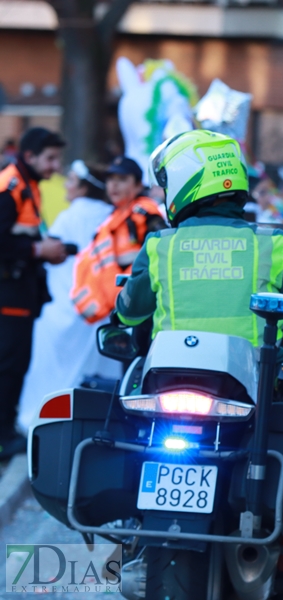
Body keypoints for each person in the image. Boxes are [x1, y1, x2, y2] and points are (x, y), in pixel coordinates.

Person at [115, 130, 283, 599]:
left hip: (170, 396)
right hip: (254, 394)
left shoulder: (159, 247)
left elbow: (127, 313)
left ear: (189, 181)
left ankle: (130, 547)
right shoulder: (270, 245)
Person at [17, 161, 117, 431]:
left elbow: (51, 258)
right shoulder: (112, 217)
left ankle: (40, 421)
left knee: (50, 373)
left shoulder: (70, 217)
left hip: (61, 306)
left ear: (84, 186)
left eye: (71, 179)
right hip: (96, 309)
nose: (66, 184)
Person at [0, 127, 66, 458]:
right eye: (50, 158)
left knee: (14, 365)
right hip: (8, 297)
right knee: (8, 366)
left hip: (19, 295)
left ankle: (6, 430)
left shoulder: (28, 185)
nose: (55, 166)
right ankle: (3, 436)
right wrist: (40, 251)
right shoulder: (11, 186)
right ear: (30, 157)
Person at [71, 156, 166, 323]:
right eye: (110, 179)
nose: (114, 185)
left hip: (141, 307)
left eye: (122, 180)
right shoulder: (114, 217)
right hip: (122, 307)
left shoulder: (144, 212)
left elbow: (163, 251)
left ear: (137, 185)